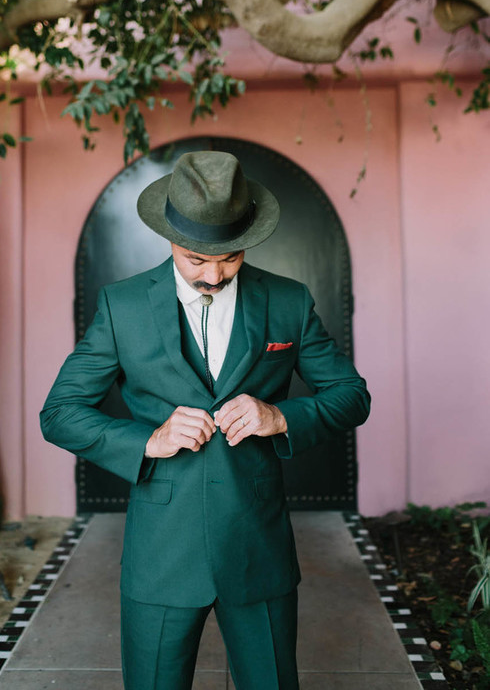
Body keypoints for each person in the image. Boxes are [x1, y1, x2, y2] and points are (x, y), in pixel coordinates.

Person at [40, 149, 371, 690]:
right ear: (169, 237)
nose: (214, 275)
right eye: (196, 259)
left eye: (231, 257)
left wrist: (280, 416)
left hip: (257, 548)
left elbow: (351, 396)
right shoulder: (121, 307)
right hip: (161, 555)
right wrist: (149, 439)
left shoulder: (289, 302)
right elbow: (59, 414)